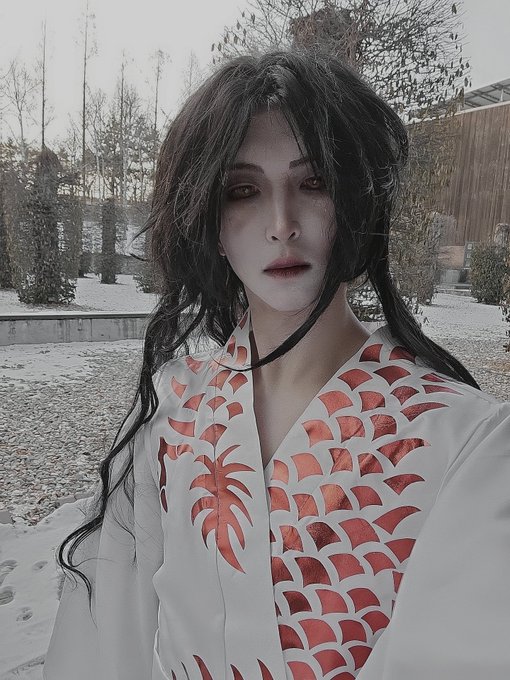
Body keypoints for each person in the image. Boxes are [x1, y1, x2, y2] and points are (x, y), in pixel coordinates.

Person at [43, 48, 510, 680]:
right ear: (210, 222)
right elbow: (101, 643)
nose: (282, 225)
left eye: (314, 184)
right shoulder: (171, 416)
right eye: (243, 191)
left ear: (357, 203)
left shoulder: (464, 441)